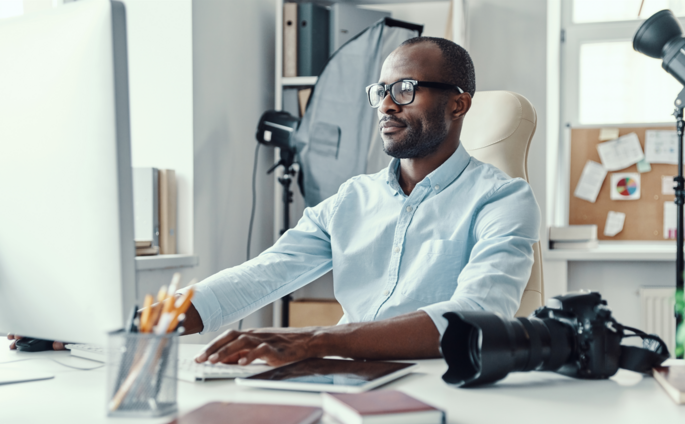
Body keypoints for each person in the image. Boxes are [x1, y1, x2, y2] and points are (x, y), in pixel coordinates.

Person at [10, 37, 540, 364]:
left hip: (443, 382)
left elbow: (475, 315)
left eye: (404, 90)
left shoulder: (502, 199)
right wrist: (114, 327)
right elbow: (259, 277)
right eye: (379, 91)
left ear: (460, 103)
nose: (386, 104)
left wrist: (313, 338)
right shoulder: (351, 200)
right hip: (343, 378)